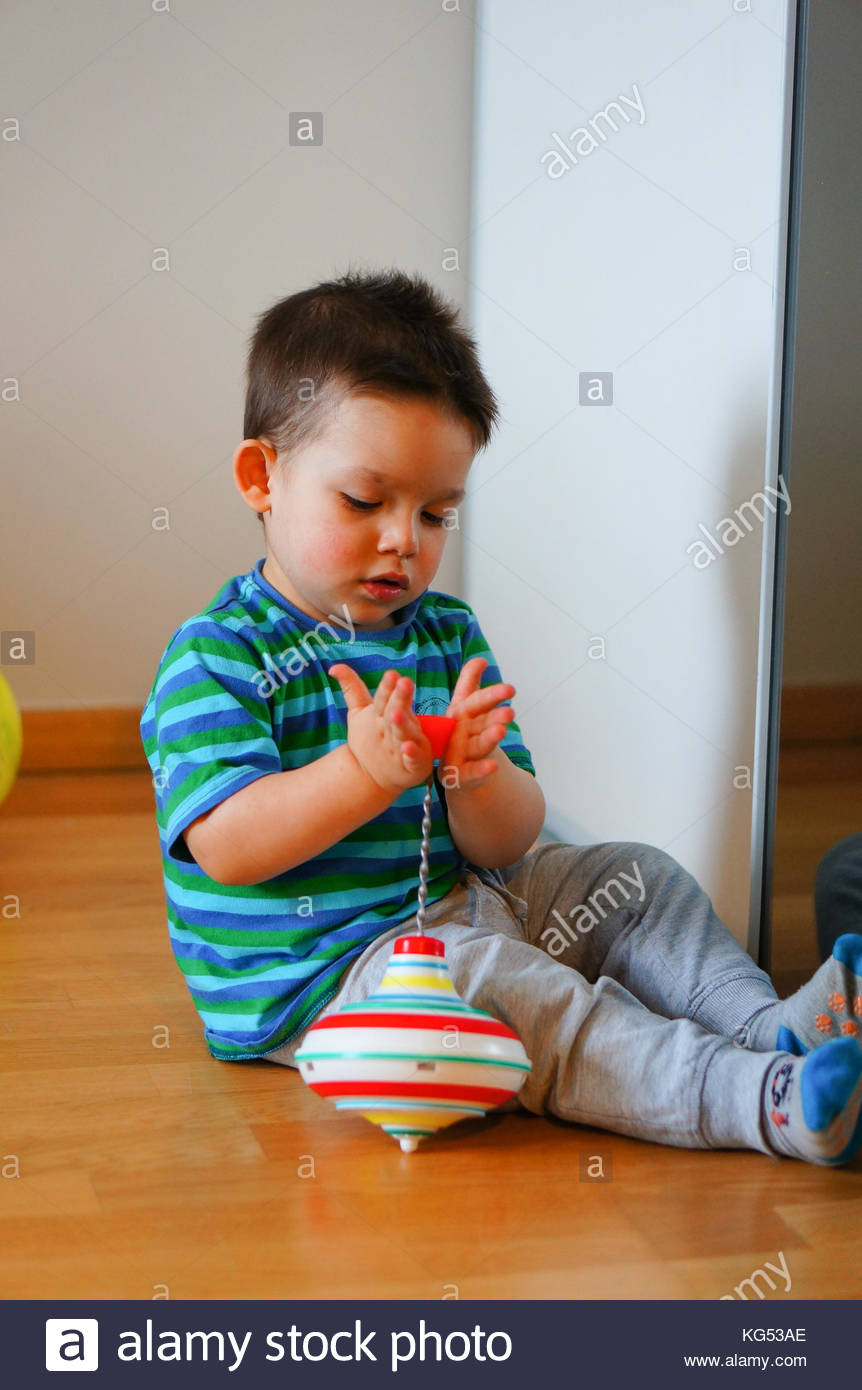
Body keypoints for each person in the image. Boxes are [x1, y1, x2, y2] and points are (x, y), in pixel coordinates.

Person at [140, 268, 862, 1167]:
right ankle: (754, 1098)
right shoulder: (218, 656)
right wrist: (362, 776)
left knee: (636, 877)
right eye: (364, 501)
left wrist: (477, 779)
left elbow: (506, 843)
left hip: (469, 901)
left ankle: (768, 1025)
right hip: (326, 980)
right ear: (262, 477)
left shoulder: (445, 633)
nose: (404, 538)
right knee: (511, 988)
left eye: (436, 512)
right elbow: (230, 847)